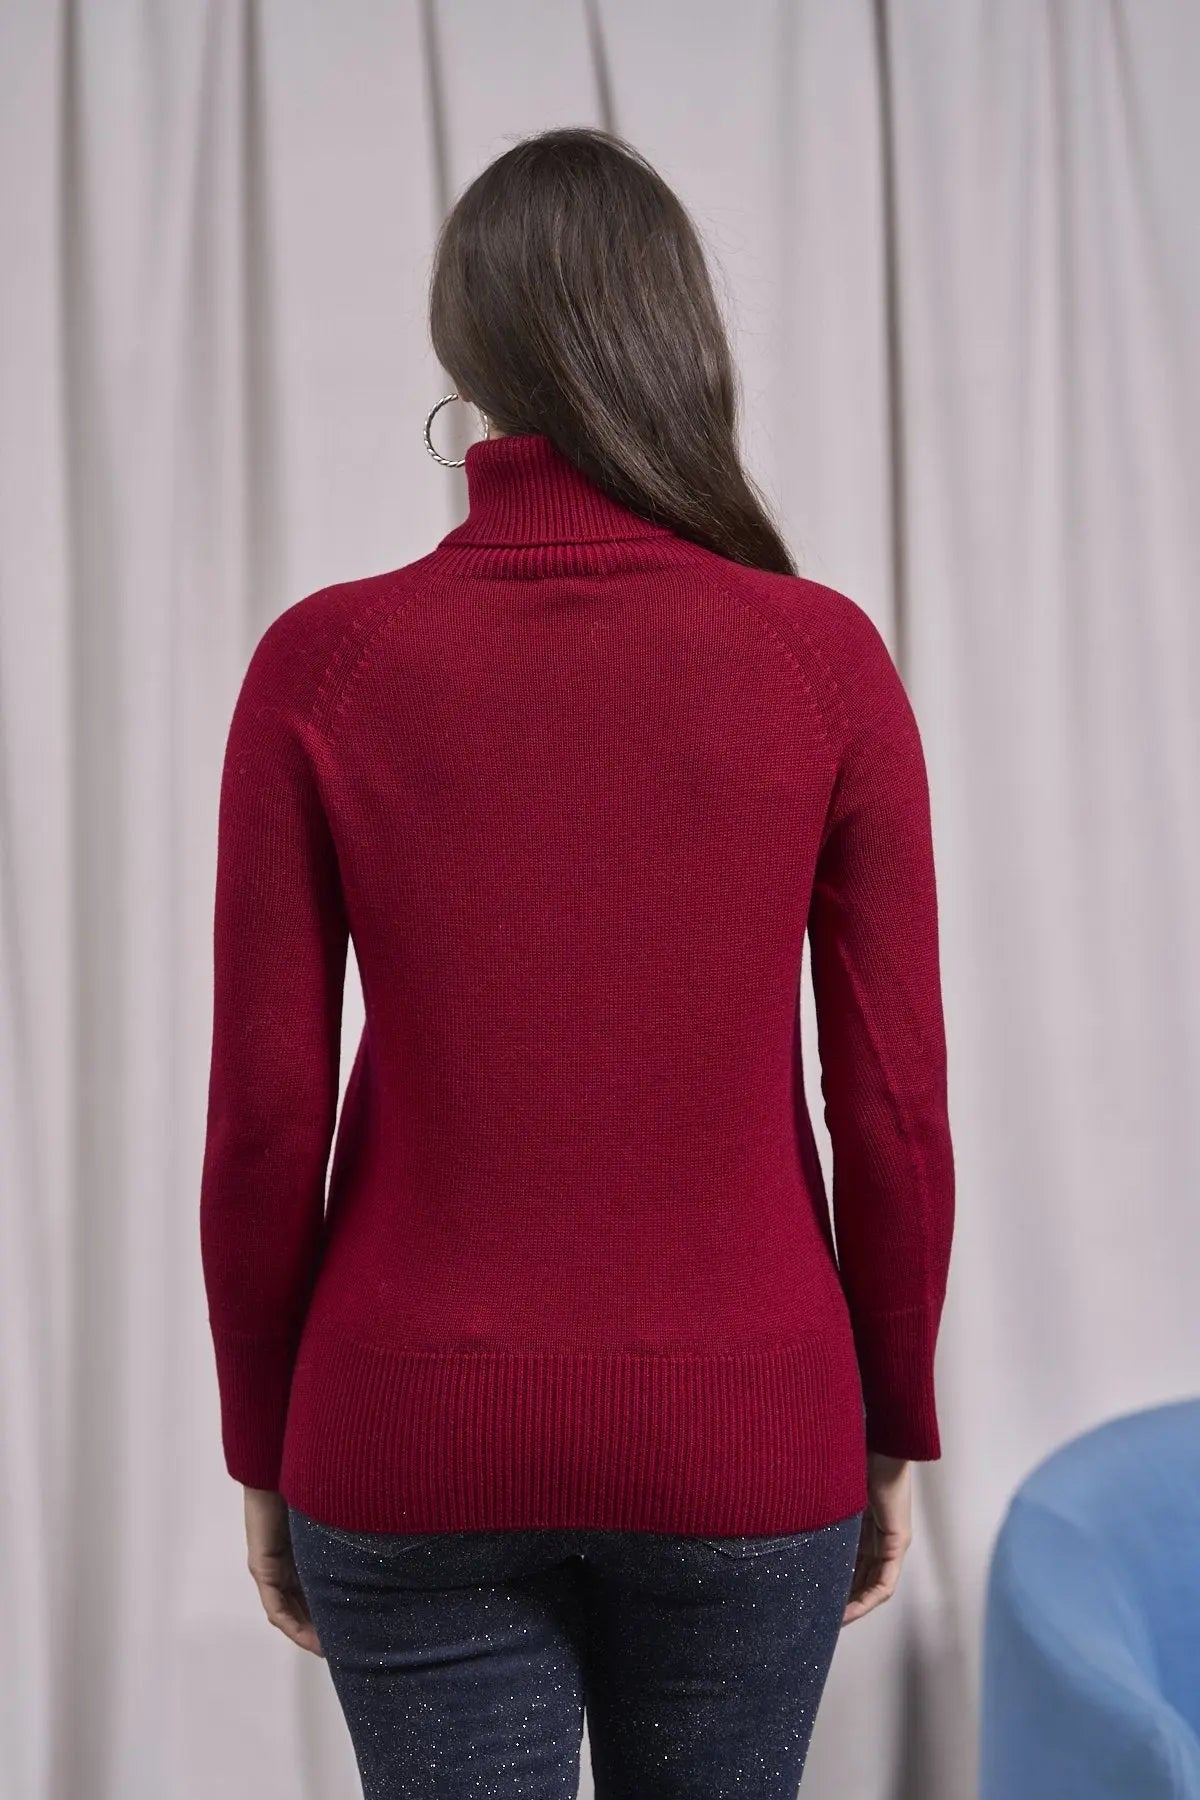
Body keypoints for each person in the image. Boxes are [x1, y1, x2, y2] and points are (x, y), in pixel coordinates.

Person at [199, 124, 955, 1798]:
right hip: (746, 1425)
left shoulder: (325, 665)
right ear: (679, 342)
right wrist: (891, 1416)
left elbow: (262, 1123)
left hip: (402, 1427)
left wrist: (262, 1442)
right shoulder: (818, 659)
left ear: (466, 358)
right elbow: (895, 1108)